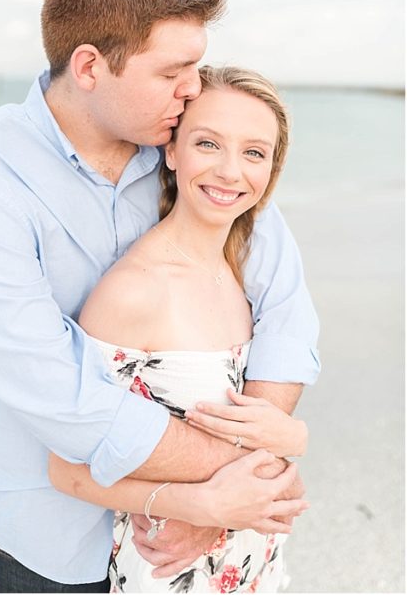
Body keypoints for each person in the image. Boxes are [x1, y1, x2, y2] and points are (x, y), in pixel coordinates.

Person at [0, 0, 320, 593]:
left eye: (198, 65)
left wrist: (237, 480)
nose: (194, 88)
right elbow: (60, 392)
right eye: (171, 72)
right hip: (44, 540)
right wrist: (235, 474)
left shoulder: (189, 143)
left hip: (199, 545)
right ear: (88, 67)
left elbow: (283, 311)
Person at [49, 66, 307, 592]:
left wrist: (287, 443)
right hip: (169, 571)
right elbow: (66, 470)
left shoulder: (238, 276)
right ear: (172, 151)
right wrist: (196, 506)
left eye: (254, 153)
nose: (231, 171)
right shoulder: (134, 291)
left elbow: (253, 431)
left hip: (254, 559)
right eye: (208, 144)